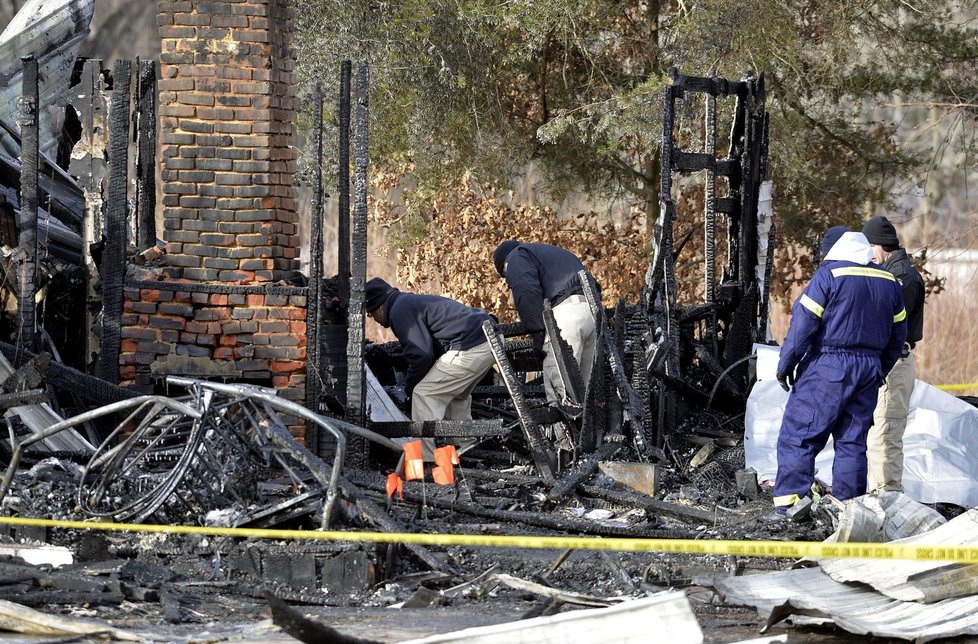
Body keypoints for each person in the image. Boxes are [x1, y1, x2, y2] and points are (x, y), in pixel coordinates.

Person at [771, 226, 907, 516]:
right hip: (869, 370)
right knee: (852, 442)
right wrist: (879, 368)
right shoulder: (889, 281)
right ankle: (849, 509)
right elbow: (899, 335)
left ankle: (790, 506)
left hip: (828, 367)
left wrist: (785, 366)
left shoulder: (829, 276)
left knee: (800, 435)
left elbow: (802, 327)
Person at [364, 277, 495, 421]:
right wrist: (395, 360)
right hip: (487, 338)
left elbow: (422, 355)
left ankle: (426, 445)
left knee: (423, 394)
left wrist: (407, 390)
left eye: (371, 314)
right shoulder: (406, 302)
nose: (374, 319)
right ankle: (464, 444)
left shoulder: (398, 312)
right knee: (454, 399)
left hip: (472, 344)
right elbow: (430, 349)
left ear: (380, 307)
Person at [862, 215, 925, 493]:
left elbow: (888, 324)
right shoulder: (891, 273)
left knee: (885, 436)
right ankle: (878, 494)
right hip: (886, 363)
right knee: (877, 435)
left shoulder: (902, 278)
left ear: (881, 246)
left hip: (894, 363)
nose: (868, 255)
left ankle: (886, 497)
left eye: (870, 247)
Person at [492, 241, 597, 403]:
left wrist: (537, 334)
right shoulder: (549, 253)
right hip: (591, 313)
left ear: (503, 266)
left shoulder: (515, 257)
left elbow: (527, 293)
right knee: (586, 396)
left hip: (567, 315)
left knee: (560, 393)